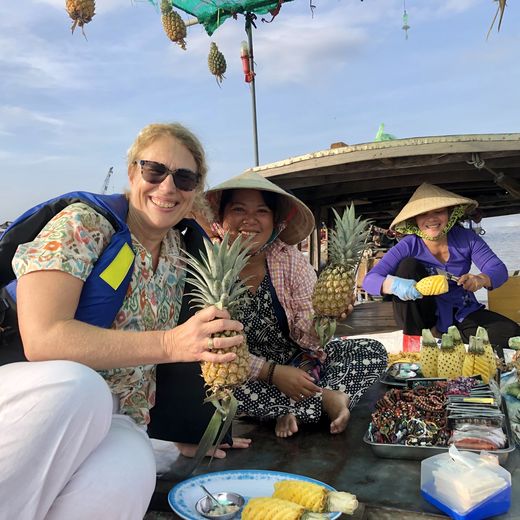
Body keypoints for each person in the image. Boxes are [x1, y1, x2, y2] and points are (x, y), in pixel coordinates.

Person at [0, 123, 247, 520]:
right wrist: (168, 344)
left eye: (185, 178)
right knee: (81, 392)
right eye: (154, 171)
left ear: (195, 190)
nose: (168, 187)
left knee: (132, 466)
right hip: (38, 400)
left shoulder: (178, 254)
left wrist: (191, 431)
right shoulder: (82, 225)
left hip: (116, 416)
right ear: (133, 172)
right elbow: (41, 339)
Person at [203, 171, 387, 438]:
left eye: (262, 211)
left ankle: (290, 408)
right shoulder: (209, 266)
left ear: (275, 221)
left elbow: (309, 337)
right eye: (238, 209)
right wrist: (272, 373)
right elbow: (214, 347)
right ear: (221, 218)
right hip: (245, 371)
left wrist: (326, 317)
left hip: (301, 364)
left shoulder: (289, 260)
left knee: (371, 350)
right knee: (223, 389)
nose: (250, 219)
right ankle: (326, 400)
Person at [362, 182, 519, 349]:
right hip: (423, 314)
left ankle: (452, 339)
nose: (431, 219)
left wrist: (480, 279)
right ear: (415, 220)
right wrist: (394, 285)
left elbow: (498, 269)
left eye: (438, 212)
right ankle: (417, 342)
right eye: (423, 214)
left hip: (460, 310)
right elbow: (369, 280)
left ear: (450, 214)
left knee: (511, 334)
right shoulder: (408, 245)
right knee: (408, 266)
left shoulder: (466, 238)